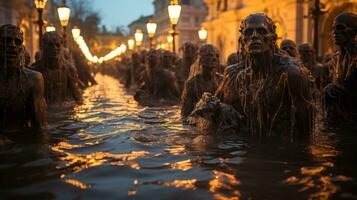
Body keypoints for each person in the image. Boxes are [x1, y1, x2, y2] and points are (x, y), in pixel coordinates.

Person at [217, 13, 314, 138]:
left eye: (262, 31)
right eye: (248, 32)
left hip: (281, 150)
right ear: (242, 41)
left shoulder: (291, 73)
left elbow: (307, 128)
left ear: (273, 40)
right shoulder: (237, 76)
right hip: (248, 148)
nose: (255, 36)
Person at [0, 24, 47, 133]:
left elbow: (40, 128)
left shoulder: (34, 79)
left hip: (23, 141)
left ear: (21, 49)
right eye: (6, 40)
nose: (12, 45)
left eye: (17, 42)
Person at [323, 12, 357, 126]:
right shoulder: (337, 58)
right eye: (333, 28)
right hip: (340, 119)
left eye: (340, 28)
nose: (335, 32)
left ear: (354, 31)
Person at [31, 32, 82, 104]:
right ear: (44, 46)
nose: (54, 48)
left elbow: (78, 98)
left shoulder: (69, 69)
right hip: (45, 112)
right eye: (51, 45)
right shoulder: (35, 70)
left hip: (64, 112)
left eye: (57, 45)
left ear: (61, 46)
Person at [181, 44, 220, 117]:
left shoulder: (221, 80)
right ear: (200, 60)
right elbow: (185, 113)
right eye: (208, 56)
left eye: (215, 56)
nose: (212, 58)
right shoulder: (192, 84)